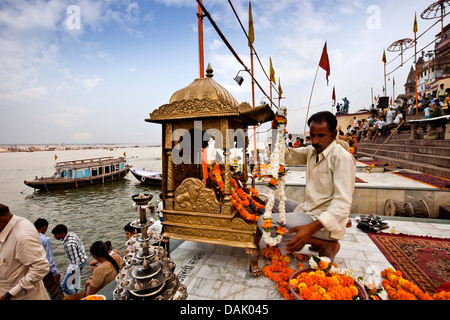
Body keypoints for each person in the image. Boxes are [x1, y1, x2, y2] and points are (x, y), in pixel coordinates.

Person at [258, 111, 356, 261]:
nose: (315, 141)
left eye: (321, 136)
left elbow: (342, 205)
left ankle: (324, 243)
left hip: (324, 222)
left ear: (333, 133)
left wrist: (309, 230)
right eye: (312, 136)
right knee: (270, 204)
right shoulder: (312, 150)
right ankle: (314, 239)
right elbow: (286, 155)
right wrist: (276, 132)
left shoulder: (342, 158)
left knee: (263, 221)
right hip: (309, 209)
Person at [0, 204, 49, 300]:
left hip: (20, 296)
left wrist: (9, 294)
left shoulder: (22, 236)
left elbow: (41, 267)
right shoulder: (6, 228)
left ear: (1, 221)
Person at [52, 224, 88, 296]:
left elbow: (75, 263)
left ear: (62, 234)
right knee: (74, 283)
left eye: (56, 235)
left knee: (64, 286)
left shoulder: (69, 245)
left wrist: (73, 274)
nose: (55, 237)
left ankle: (76, 296)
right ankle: (76, 291)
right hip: (82, 259)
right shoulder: (71, 234)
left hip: (77, 263)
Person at [34, 218, 64, 300]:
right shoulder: (45, 239)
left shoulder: (31, 238)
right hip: (46, 271)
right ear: (44, 228)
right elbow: (48, 259)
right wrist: (55, 273)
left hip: (34, 271)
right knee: (56, 293)